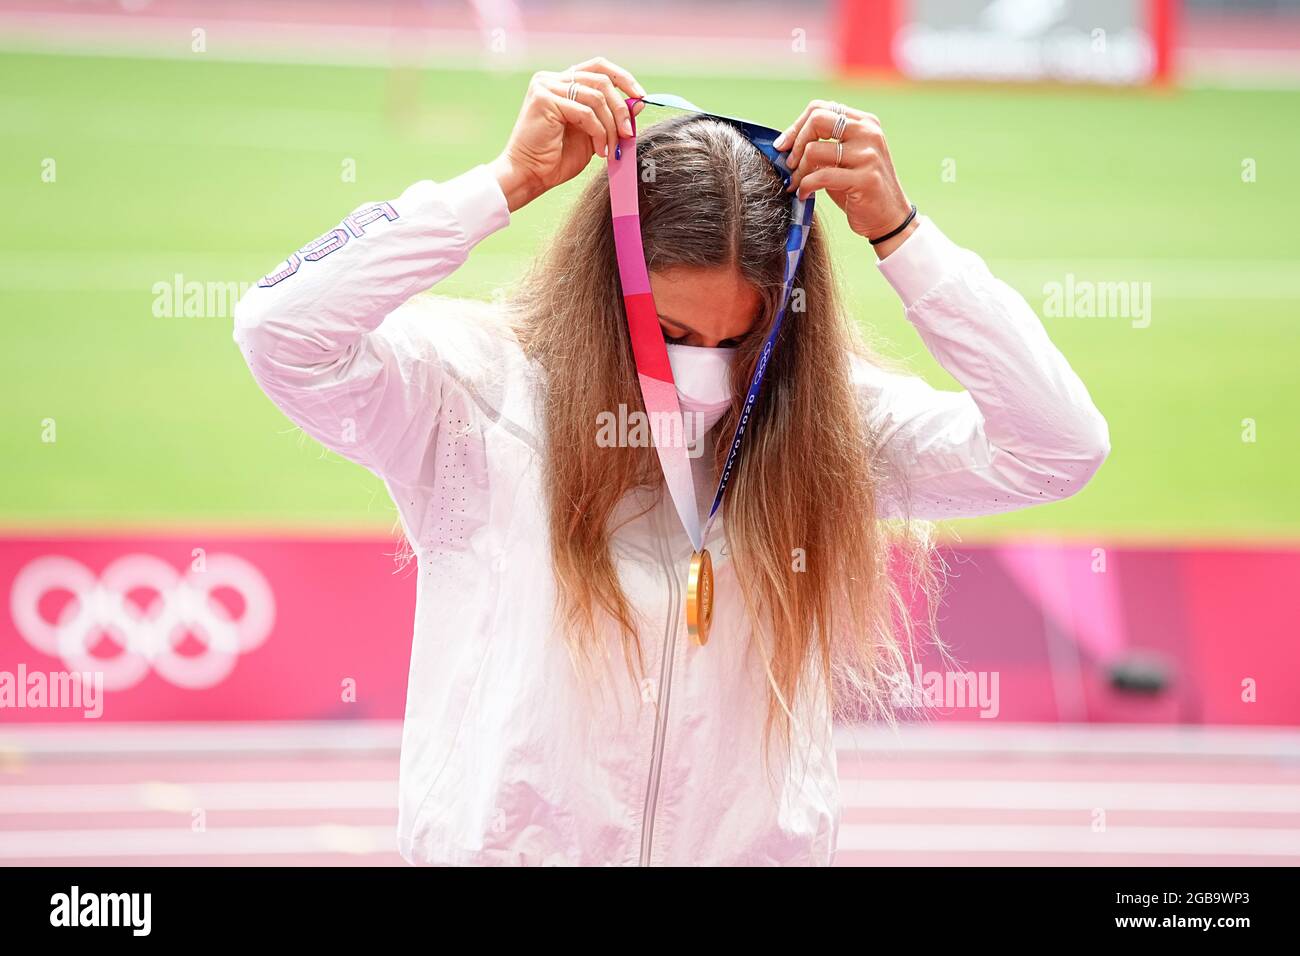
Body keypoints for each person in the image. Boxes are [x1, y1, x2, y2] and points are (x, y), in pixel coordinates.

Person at [233, 57, 1109, 866]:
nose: (702, 373)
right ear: (604, 289)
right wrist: (508, 183)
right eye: (673, 335)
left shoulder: (820, 423)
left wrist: (902, 236)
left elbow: (1059, 446)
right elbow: (281, 331)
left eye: (739, 339)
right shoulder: (474, 395)